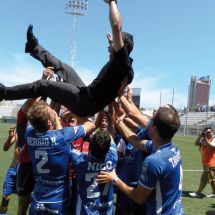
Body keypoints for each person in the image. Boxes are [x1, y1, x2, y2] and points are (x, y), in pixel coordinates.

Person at [0, 0, 134, 117]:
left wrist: (112, 2)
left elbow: (116, 26)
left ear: (122, 46)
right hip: (87, 94)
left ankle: (5, 93)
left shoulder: (122, 61)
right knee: (65, 68)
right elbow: (115, 88)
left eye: (114, 43)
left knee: (42, 85)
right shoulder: (123, 67)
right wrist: (112, 44)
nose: (108, 47)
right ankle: (33, 47)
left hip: (85, 101)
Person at [96, 105, 184, 215]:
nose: (147, 122)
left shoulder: (154, 161)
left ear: (154, 130)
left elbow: (139, 197)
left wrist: (115, 179)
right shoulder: (172, 149)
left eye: (151, 121)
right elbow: (135, 140)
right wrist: (119, 122)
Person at [25, 100, 96, 214]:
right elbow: (91, 125)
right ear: (49, 122)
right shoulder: (62, 136)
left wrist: (53, 108)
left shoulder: (29, 133)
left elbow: (39, 119)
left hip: (38, 200)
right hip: (59, 201)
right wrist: (73, 112)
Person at [70, 130, 118, 215]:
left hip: (85, 211)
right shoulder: (113, 158)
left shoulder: (80, 161)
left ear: (90, 147)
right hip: (106, 211)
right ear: (108, 149)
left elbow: (66, 143)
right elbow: (111, 138)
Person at [189, 127, 215, 198]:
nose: (207, 133)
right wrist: (200, 136)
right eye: (206, 132)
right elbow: (196, 143)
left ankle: (198, 193)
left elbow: (211, 146)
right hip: (206, 162)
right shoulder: (203, 138)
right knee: (211, 179)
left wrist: (205, 138)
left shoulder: (213, 139)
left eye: (209, 132)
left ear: (212, 132)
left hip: (211, 163)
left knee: (204, 179)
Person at [0, 126, 18, 215]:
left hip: (26, 171)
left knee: (25, 200)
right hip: (13, 169)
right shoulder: (20, 130)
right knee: (5, 197)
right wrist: (10, 137)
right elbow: (5, 148)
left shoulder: (36, 131)